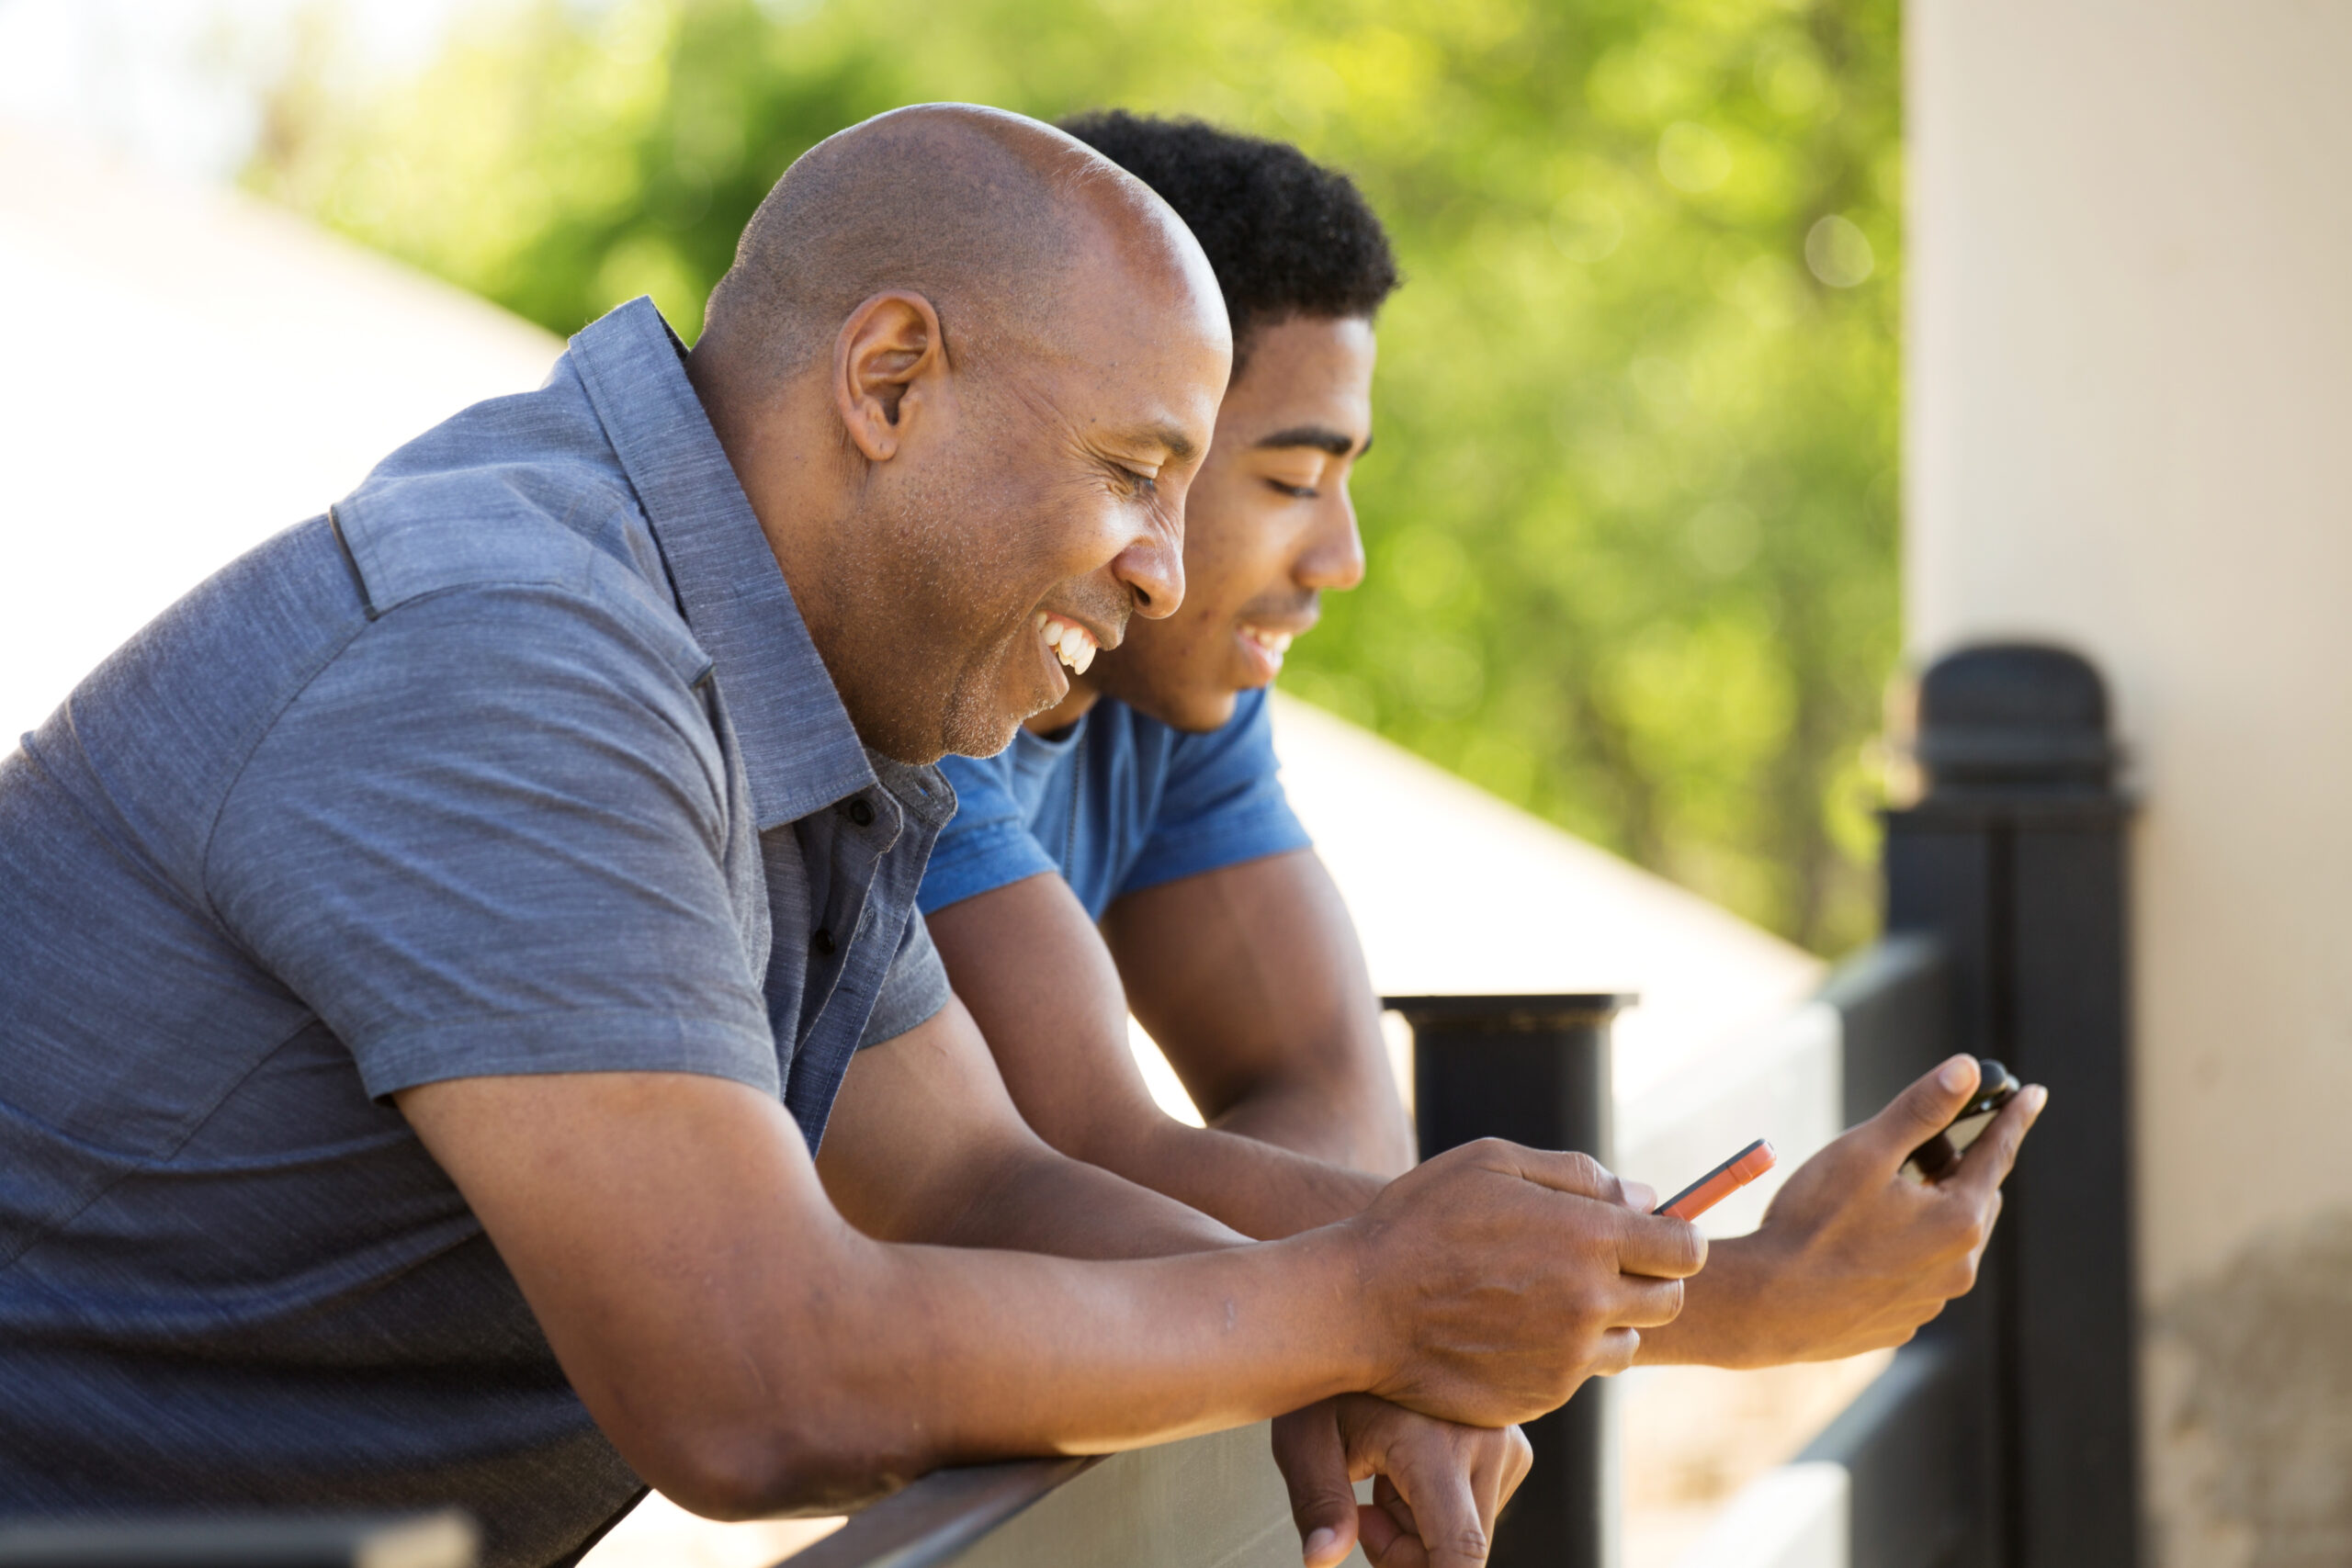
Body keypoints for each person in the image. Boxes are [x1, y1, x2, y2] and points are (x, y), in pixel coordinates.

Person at [0, 107, 1703, 1568]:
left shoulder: (798, 686)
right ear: (890, 380)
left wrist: (1345, 1336)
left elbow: (971, 1179)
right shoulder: (517, 652)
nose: (1168, 573)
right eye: (1130, 471)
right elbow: (757, 1380)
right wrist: (1364, 1308)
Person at [922, 111, 2047, 1561]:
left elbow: (1320, 1092)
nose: (1342, 557)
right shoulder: (925, 698)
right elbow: (1067, 1153)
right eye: (1287, 479)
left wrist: (1386, 1342)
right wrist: (1730, 1295)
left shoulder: (1185, 700)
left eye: (1349, 476)